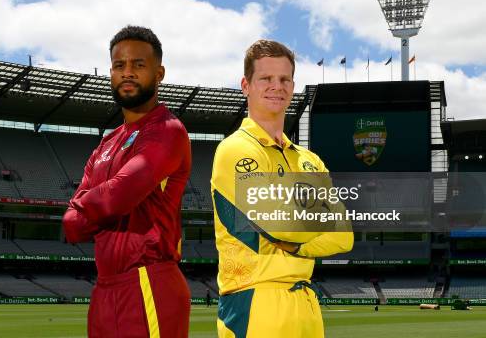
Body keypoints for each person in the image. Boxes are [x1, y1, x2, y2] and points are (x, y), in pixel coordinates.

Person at [211, 39, 354, 337]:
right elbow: (280, 225)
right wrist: (316, 219)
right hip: (255, 300)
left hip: (307, 302)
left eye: (284, 79)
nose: (277, 86)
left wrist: (299, 245)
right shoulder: (235, 149)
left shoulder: (309, 160)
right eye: (266, 78)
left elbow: (344, 236)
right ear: (246, 85)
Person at [63, 25, 191, 338]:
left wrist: (87, 207)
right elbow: (72, 225)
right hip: (104, 288)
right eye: (120, 66)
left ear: (159, 73)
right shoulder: (105, 144)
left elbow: (120, 195)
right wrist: (93, 207)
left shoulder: (167, 130)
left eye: (138, 65)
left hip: (148, 281)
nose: (128, 72)